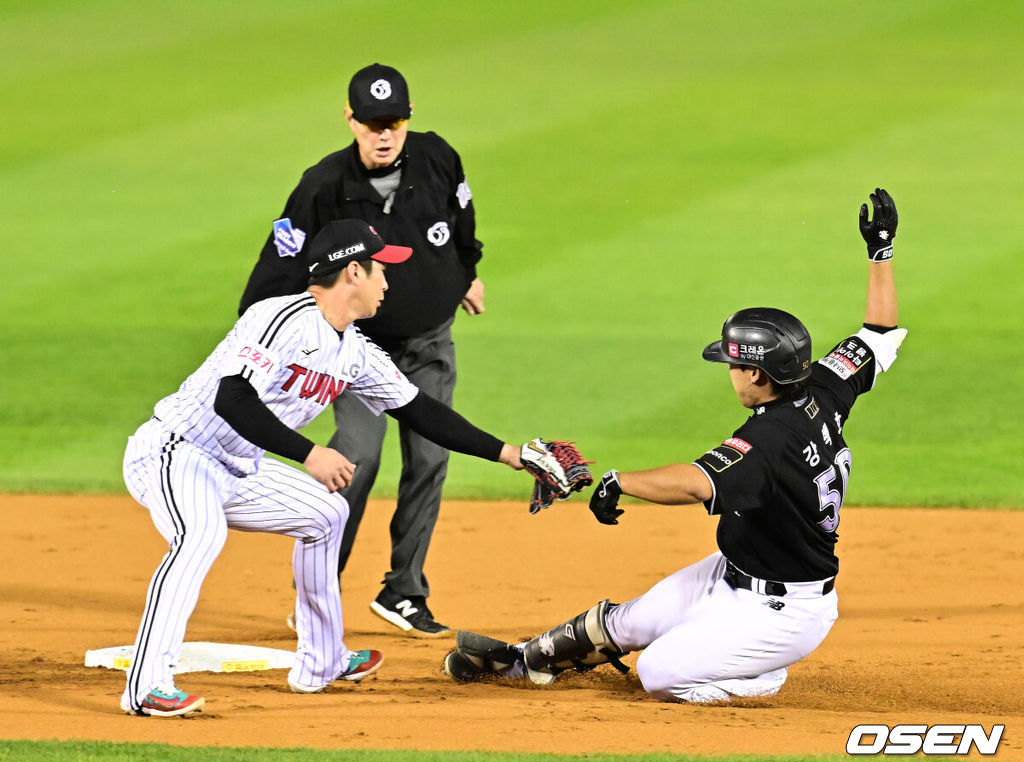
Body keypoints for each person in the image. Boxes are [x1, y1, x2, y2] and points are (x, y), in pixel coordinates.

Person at [442, 189, 906, 704]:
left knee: (660, 672)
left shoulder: (769, 439)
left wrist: (620, 482)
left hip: (786, 613)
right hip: (735, 572)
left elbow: (696, 482)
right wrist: (880, 250)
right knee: (632, 621)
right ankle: (525, 660)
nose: (729, 373)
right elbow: (879, 332)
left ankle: (759, 676)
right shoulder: (822, 386)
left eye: (733, 364)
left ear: (756, 372)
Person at [121, 219, 557, 717]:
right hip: (176, 451)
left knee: (325, 513)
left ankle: (322, 662)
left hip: (238, 466)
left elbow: (419, 410)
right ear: (353, 271)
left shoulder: (353, 349)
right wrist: (310, 453)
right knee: (199, 535)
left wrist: (512, 454)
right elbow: (232, 398)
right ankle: (147, 686)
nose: (388, 282)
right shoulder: (281, 318)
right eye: (381, 270)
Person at [239, 63, 485, 637]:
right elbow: (278, 265)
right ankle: (316, 595)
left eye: (394, 121)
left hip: (430, 343)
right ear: (350, 119)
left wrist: (462, 275)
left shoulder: (437, 157)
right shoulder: (322, 186)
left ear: (409, 118)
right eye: (372, 122)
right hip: (353, 354)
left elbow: (463, 223)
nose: (384, 133)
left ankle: (404, 591)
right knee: (355, 461)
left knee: (430, 459)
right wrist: (257, 338)